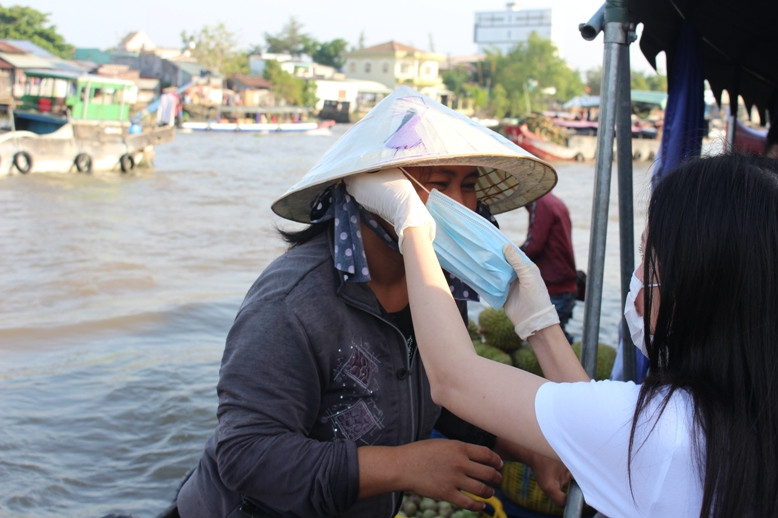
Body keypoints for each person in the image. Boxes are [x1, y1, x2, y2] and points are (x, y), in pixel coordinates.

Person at [175, 86, 571, 518]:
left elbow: (447, 399)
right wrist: (403, 466)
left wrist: (534, 449)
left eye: (469, 186)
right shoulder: (292, 303)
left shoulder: (437, 287)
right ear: (376, 193)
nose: (459, 205)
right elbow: (247, 455)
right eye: (438, 186)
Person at [346, 152, 778, 517]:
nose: (640, 276)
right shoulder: (736, 414)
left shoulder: (665, 433)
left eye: (650, 256)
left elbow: (454, 378)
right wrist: (539, 324)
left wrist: (412, 224)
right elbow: (597, 419)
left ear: (703, 286)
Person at [520, 192, 578, 343]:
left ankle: (570, 366)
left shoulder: (539, 203)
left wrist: (509, 258)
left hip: (554, 285)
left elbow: (533, 245)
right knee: (558, 338)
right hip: (564, 281)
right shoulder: (553, 201)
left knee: (549, 342)